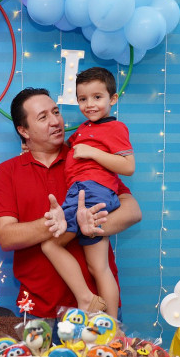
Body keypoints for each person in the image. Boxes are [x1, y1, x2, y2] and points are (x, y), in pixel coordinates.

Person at [0, 87, 141, 322]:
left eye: (56, 112)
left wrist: (89, 224)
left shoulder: (86, 157)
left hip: (99, 308)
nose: (55, 121)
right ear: (23, 131)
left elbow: (132, 211)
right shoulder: (6, 172)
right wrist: (54, 224)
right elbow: (7, 237)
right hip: (40, 310)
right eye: (43, 117)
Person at [41, 67, 134, 318]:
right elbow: (67, 149)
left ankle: (92, 305)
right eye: (83, 99)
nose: (89, 104)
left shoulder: (116, 128)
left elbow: (128, 166)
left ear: (113, 99)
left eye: (97, 97)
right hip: (80, 192)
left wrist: (93, 153)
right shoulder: (84, 128)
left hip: (93, 192)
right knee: (97, 266)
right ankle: (107, 321)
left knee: (51, 245)